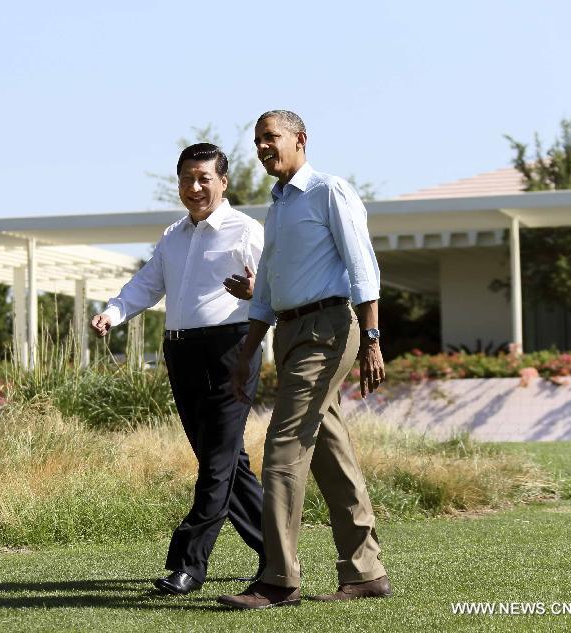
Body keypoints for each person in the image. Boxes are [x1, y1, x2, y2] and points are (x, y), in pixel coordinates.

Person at [217, 110, 391, 610]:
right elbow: (267, 285)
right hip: (291, 333)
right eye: (257, 141)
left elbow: (363, 267)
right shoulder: (278, 206)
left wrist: (373, 339)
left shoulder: (329, 191)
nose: (263, 148)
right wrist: (248, 351)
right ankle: (365, 572)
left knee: (284, 446)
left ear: (300, 139)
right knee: (331, 453)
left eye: (271, 138)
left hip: (329, 330)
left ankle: (278, 580)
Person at [90, 143, 266, 596]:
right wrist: (113, 312)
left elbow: (276, 289)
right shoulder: (173, 235)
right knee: (226, 463)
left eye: (204, 178)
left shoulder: (247, 231)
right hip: (182, 354)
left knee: (216, 465)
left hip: (233, 351)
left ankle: (188, 564)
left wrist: (255, 291)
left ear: (224, 182)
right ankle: (277, 551)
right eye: (187, 179)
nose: (195, 187)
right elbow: (148, 283)